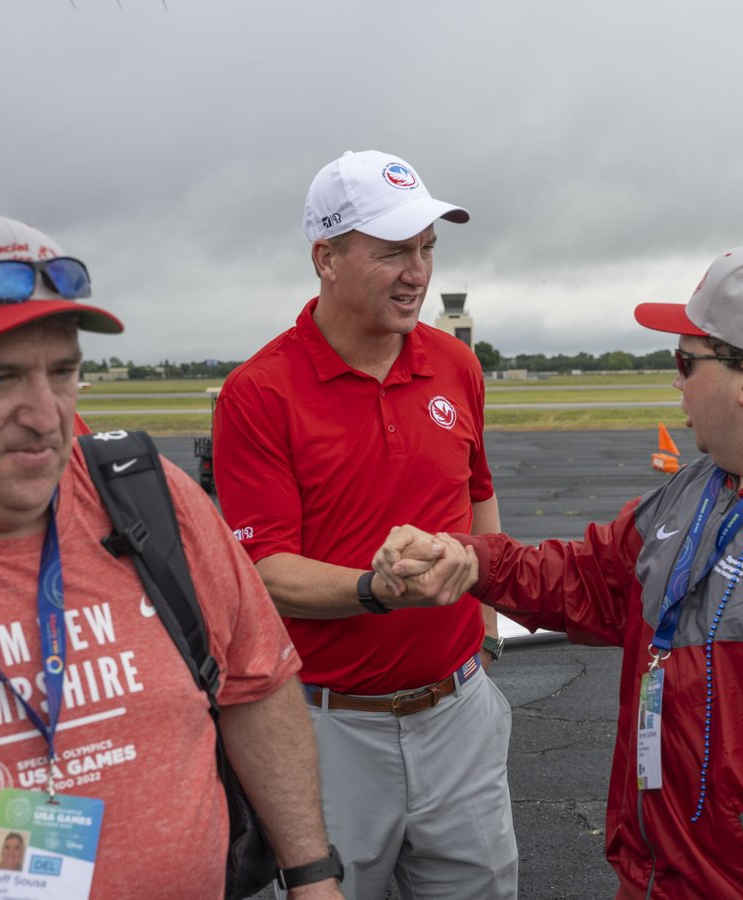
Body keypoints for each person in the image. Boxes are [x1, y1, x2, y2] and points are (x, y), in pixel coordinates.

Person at [374, 247, 743, 897]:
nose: (674, 383)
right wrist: (471, 561)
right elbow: (595, 580)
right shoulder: (702, 488)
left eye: (686, 362)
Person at [0, 215, 343, 899]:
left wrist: (311, 875)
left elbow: (257, 684)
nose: (44, 413)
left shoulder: (148, 497)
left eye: (63, 371)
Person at [212, 150, 516, 900]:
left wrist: (485, 621)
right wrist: (375, 590)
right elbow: (263, 570)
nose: (418, 273)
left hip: (460, 712)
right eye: (393, 253)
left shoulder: (455, 365)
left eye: (427, 248)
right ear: (327, 259)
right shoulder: (259, 392)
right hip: (329, 731)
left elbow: (478, 495)